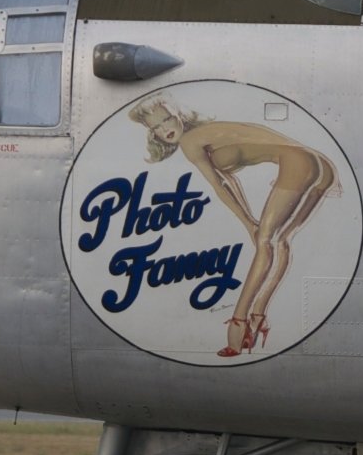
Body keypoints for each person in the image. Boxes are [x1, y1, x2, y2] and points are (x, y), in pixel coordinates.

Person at [128, 96, 339, 357]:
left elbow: (220, 186)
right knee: (280, 241)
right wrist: (249, 220)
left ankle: (238, 325)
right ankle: (259, 314)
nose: (165, 128)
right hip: (320, 166)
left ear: (179, 115)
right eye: (156, 126)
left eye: (167, 118)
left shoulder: (190, 141)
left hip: (299, 162)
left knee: (264, 242)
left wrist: (250, 224)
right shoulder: (206, 137)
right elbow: (231, 184)